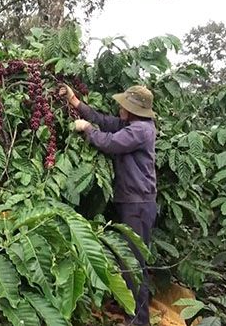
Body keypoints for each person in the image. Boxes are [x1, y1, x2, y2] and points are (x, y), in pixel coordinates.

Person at [60, 84, 157, 326]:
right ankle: (134, 317)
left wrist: (87, 130)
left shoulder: (141, 130)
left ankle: (138, 322)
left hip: (139, 204)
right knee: (128, 262)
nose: (119, 106)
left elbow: (110, 142)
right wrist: (76, 103)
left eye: (123, 104)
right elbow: (106, 121)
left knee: (134, 265)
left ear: (133, 109)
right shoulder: (132, 125)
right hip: (131, 201)